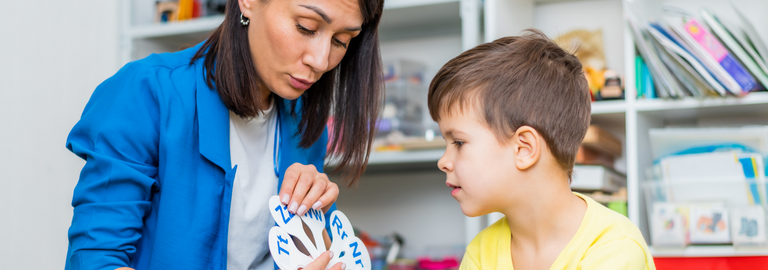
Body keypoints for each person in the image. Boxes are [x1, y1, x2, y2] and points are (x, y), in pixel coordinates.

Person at [64, 0, 384, 269]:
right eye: (306, 26)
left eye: (341, 40)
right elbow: (95, 259)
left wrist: (320, 236)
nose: (320, 60)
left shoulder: (304, 123)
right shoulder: (148, 92)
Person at [428, 30, 655, 270]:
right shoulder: (480, 252)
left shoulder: (613, 248)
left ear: (524, 149)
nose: (443, 162)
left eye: (459, 143)